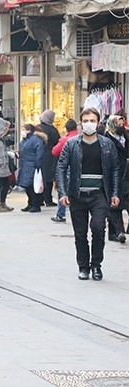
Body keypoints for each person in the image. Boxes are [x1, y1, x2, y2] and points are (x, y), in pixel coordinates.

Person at [56, 107, 121, 281]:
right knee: (80, 233)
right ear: (80, 123)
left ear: (98, 123)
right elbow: (61, 168)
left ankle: (96, 265)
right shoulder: (71, 144)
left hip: (99, 194)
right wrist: (63, 193)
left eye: (92, 121)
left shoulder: (107, 144)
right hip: (77, 194)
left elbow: (115, 169)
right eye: (85, 121)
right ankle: (83, 267)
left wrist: (115, 193)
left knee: (98, 228)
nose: (89, 124)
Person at [104, 115, 128, 243]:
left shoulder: (126, 138)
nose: (121, 126)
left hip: (127, 175)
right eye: (118, 124)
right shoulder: (106, 140)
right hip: (113, 175)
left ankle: (117, 232)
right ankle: (118, 232)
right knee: (115, 205)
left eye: (122, 123)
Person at [50, 119, 79, 222]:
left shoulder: (64, 140)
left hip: (67, 168)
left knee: (63, 191)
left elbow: (54, 151)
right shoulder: (82, 138)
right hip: (80, 169)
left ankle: (60, 214)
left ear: (66, 129)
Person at [17, 124, 45, 213]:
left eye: (24, 129)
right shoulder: (25, 140)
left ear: (29, 130)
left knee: (33, 186)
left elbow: (39, 152)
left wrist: (38, 164)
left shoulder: (36, 140)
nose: (22, 131)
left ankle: (35, 205)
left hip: (32, 165)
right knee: (28, 186)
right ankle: (30, 204)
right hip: (25, 165)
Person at [38, 109, 61, 206]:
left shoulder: (38, 128)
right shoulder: (53, 130)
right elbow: (58, 142)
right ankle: (48, 199)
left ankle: (39, 199)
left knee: (40, 177)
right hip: (50, 156)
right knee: (49, 178)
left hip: (39, 155)